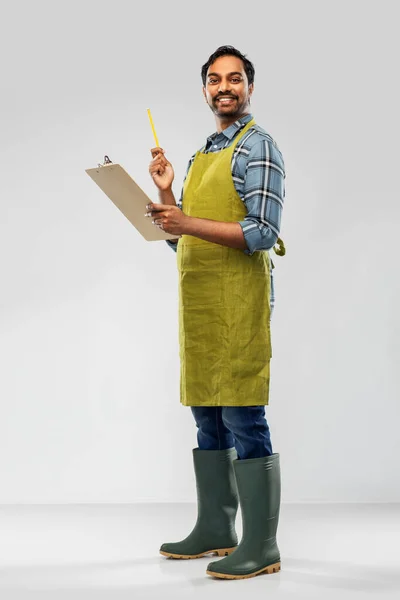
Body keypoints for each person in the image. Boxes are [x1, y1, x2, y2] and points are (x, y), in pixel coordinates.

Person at [146, 45, 286, 581]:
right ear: (205, 89)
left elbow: (261, 233)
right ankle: (215, 526)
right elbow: (185, 243)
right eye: (213, 79)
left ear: (249, 87)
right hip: (201, 305)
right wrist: (165, 196)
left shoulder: (259, 147)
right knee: (207, 416)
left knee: (243, 418)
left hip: (240, 305)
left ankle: (262, 545)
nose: (223, 87)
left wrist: (183, 221)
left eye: (234, 78)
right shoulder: (202, 151)